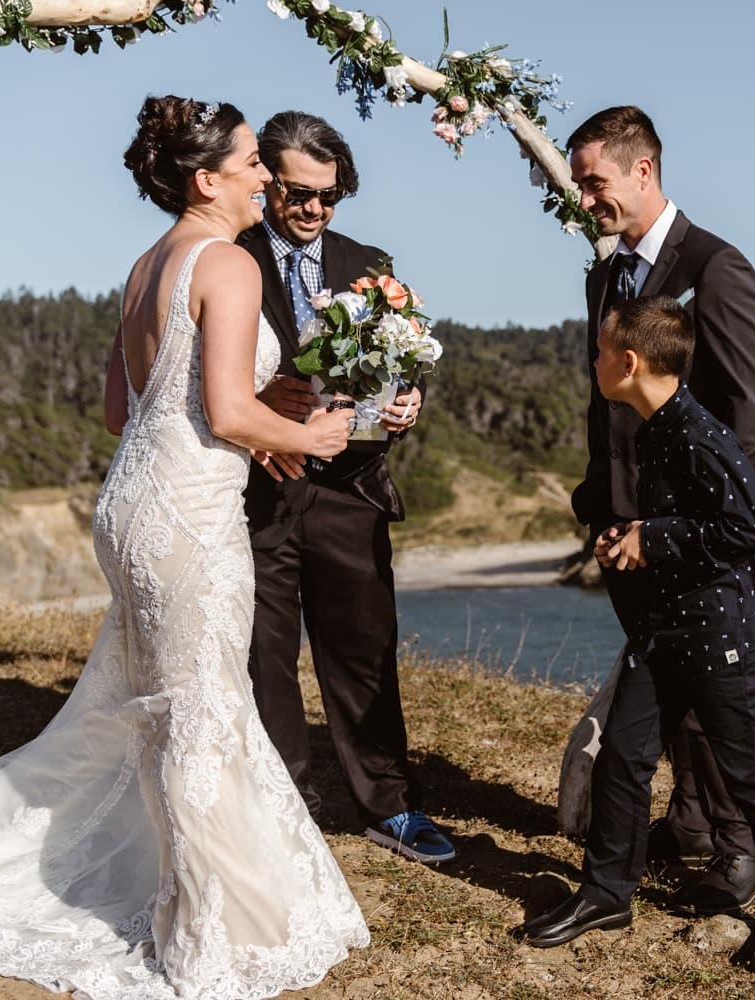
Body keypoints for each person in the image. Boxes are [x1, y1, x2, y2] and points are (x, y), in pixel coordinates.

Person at [0, 96, 370, 998]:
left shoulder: (147, 266)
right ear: (206, 178)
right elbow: (221, 410)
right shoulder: (227, 260)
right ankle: (210, 929)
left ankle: (208, 888)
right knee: (201, 708)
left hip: (132, 505)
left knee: (178, 703)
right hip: (185, 515)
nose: (267, 176)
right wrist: (316, 435)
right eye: (254, 162)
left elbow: (124, 410)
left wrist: (263, 420)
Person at [521, 297, 755, 975]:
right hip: (666, 628)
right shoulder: (656, 425)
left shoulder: (697, 432)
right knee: (622, 758)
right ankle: (608, 891)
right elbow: (691, 525)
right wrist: (629, 537)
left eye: (601, 352)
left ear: (629, 362)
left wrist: (651, 537)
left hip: (720, 637)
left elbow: (751, 527)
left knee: (749, 778)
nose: (594, 361)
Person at [565, 104, 755, 913]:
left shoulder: (717, 268)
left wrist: (672, 528)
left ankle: (739, 848)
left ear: (642, 170)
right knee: (671, 687)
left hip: (678, 532)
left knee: (701, 688)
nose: (586, 199)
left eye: (596, 183)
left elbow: (746, 413)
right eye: (581, 184)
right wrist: (601, 503)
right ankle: (688, 822)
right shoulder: (606, 272)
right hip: (618, 523)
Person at [238, 110, 454, 864]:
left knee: (363, 652)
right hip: (256, 489)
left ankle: (389, 806)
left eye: (329, 197)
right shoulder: (226, 256)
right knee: (264, 659)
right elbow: (194, 374)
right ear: (265, 181)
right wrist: (259, 419)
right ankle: (282, 806)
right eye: (298, 194)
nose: (313, 211)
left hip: (351, 490)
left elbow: (403, 364)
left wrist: (408, 403)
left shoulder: (370, 261)